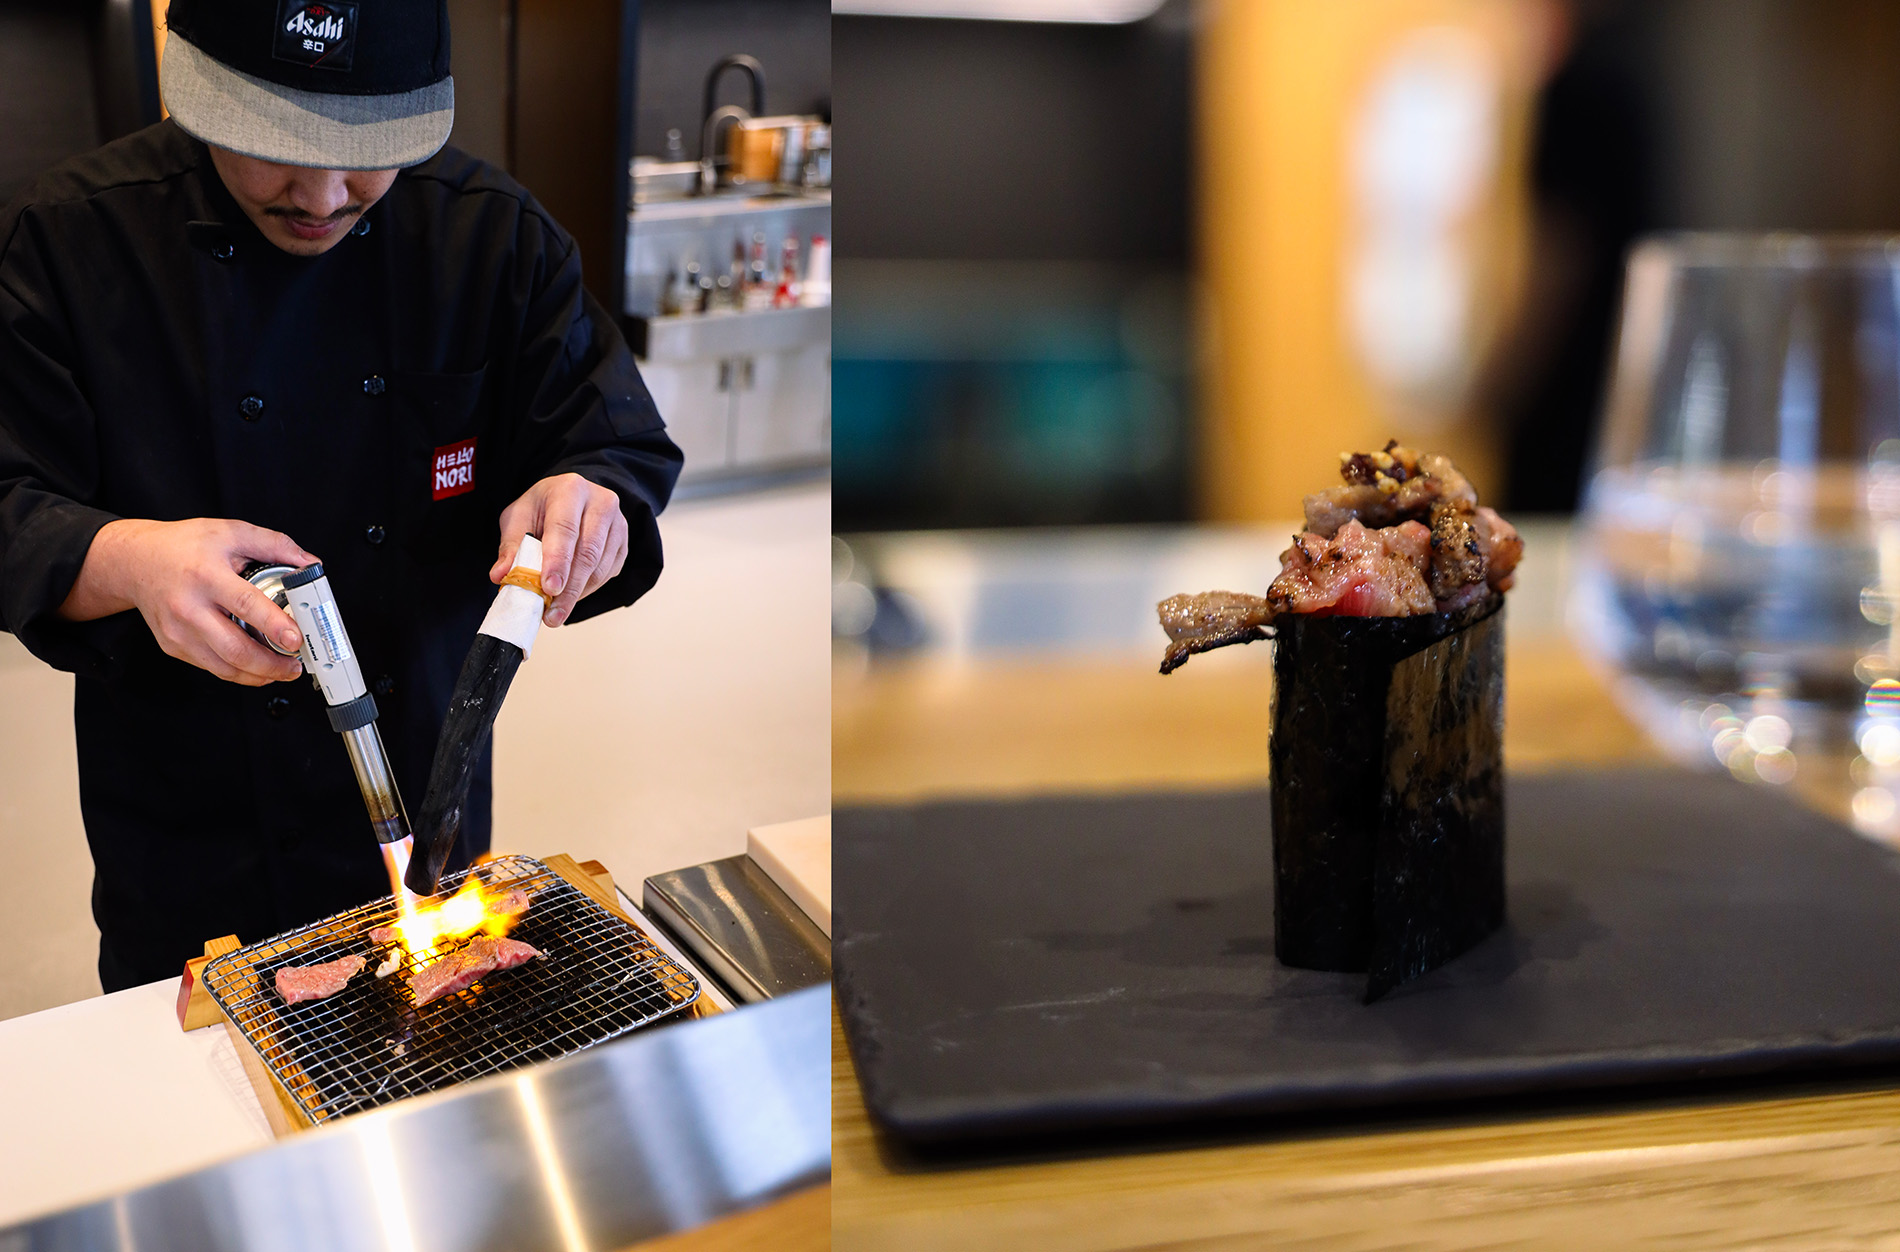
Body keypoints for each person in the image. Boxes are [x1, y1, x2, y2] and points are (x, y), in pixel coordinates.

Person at [0, 0, 682, 992]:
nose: (322, 193)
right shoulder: (62, 242)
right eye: (272, 144)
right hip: (184, 811)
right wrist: (126, 562)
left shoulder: (490, 237)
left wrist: (588, 492)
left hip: (425, 771)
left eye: (367, 150)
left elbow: (611, 436)